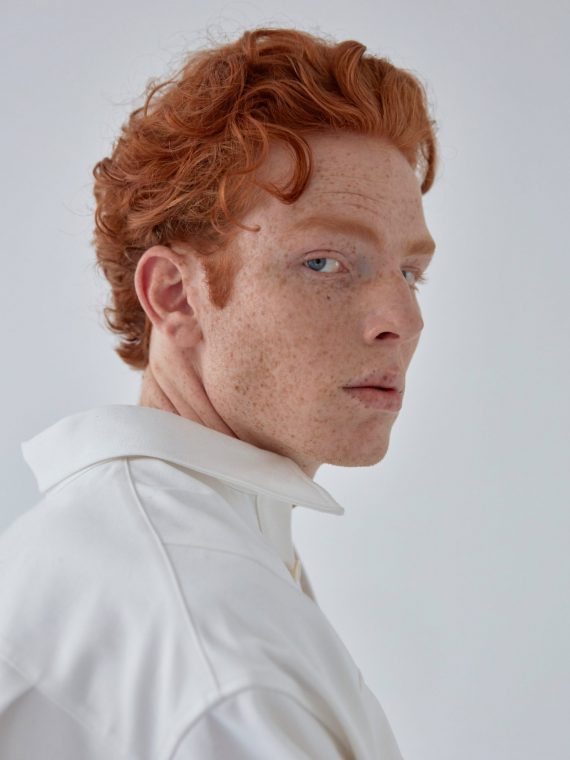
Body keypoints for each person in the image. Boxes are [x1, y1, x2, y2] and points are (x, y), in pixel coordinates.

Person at [0, 26, 438, 758]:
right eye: (325, 262)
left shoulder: (117, 544)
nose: (404, 320)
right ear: (175, 294)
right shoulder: (224, 664)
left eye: (410, 271)